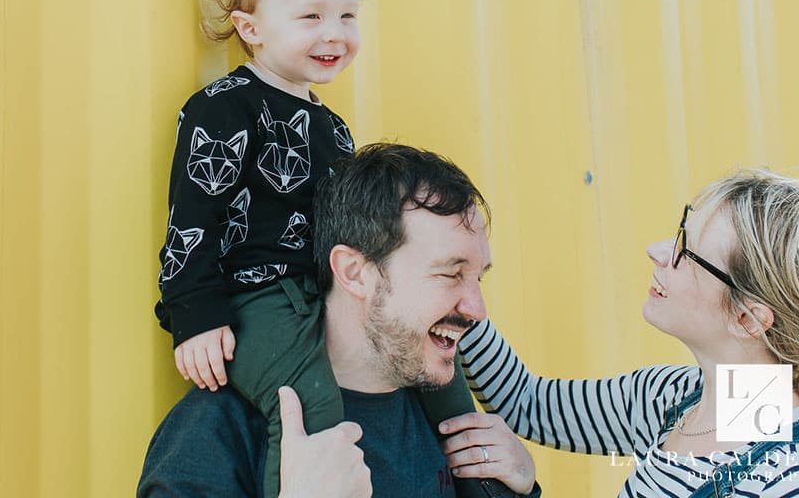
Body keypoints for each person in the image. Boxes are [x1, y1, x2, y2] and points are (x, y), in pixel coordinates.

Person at [154, 0, 480, 498]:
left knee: (448, 391)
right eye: (311, 18)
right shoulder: (225, 109)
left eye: (347, 16)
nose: (334, 34)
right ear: (250, 29)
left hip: (321, 289)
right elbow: (193, 217)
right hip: (258, 299)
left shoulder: (332, 128)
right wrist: (195, 314)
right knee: (308, 403)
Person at [140, 143, 542, 497]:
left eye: (478, 277)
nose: (477, 309)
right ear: (353, 272)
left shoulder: (449, 423)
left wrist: (520, 489)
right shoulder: (219, 433)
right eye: (450, 274)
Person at [458, 169, 799, 496]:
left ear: (748, 320)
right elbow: (529, 404)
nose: (658, 251)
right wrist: (458, 293)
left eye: (688, 250)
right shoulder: (672, 398)